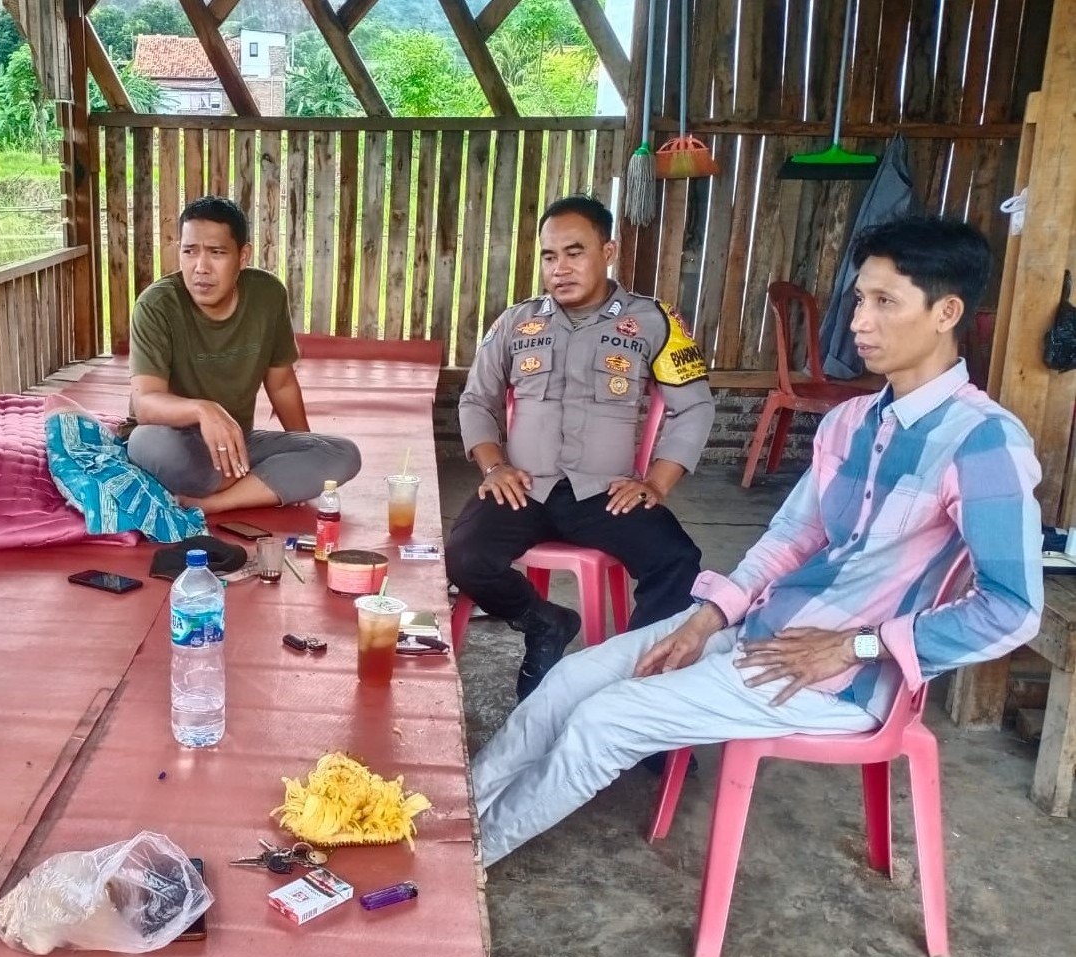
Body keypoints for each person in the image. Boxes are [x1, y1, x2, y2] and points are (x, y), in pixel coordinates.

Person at [471, 215, 1043, 868]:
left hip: (842, 678)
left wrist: (857, 644)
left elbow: (1011, 608)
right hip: (764, 628)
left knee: (604, 720)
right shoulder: (851, 421)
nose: (859, 321)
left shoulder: (983, 441)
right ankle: (442, 818)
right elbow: (792, 536)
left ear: (946, 312)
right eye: (859, 298)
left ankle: (470, 858)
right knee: (569, 680)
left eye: (885, 302)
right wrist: (706, 618)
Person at [447, 194, 715, 700]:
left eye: (575, 252)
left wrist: (656, 483)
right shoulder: (516, 322)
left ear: (607, 251)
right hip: (523, 488)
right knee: (464, 555)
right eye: (549, 256)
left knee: (677, 562)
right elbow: (476, 400)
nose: (560, 269)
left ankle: (633, 685)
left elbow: (695, 407)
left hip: (605, 494)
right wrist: (494, 466)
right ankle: (543, 622)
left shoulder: (653, 321)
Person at [125, 196, 360, 514]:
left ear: (243, 256)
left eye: (217, 253)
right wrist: (203, 410)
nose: (201, 267)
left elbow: (281, 384)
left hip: (238, 444)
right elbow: (146, 404)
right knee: (146, 443)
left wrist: (305, 448)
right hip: (175, 442)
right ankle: (259, 484)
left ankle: (213, 503)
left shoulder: (267, 295)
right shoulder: (156, 305)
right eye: (189, 251)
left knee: (343, 455)